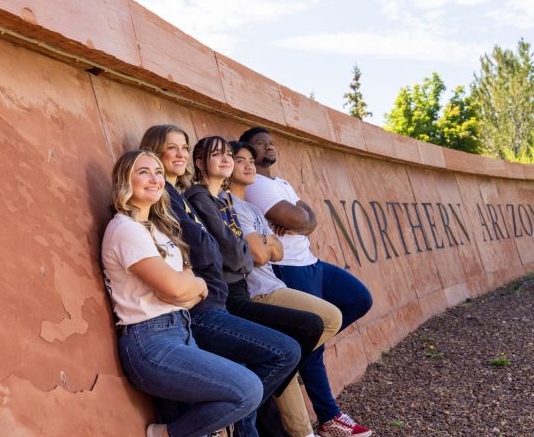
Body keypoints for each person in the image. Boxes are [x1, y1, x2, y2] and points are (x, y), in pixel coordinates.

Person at [138, 126, 302, 437]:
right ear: (154, 153)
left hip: (216, 302)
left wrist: (252, 249)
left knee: (275, 359)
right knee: (284, 352)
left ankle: (243, 423)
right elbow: (226, 255)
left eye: (183, 147)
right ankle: (234, 423)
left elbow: (233, 253)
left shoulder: (182, 199)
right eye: (171, 148)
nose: (179, 154)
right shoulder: (175, 200)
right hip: (202, 311)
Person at [101, 149, 263, 437]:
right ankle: (165, 435)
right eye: (144, 172)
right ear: (125, 180)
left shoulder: (162, 230)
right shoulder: (125, 229)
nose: (154, 179)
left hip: (182, 331)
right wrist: (188, 287)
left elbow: (186, 285)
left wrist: (190, 288)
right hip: (150, 345)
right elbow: (178, 287)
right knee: (248, 389)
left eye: (158, 172)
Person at [240, 127, 374, 437]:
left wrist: (303, 221)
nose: (268, 148)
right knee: (314, 340)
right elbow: (300, 219)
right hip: (289, 267)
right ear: (247, 150)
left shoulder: (280, 182)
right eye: (260, 144)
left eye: (271, 143)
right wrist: (301, 221)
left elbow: (310, 219)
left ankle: (296, 353)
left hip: (312, 262)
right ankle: (330, 417)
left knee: (358, 299)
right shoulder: (256, 186)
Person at [227, 140, 343, 437]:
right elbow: (262, 254)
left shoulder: (252, 207)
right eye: (240, 160)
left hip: (272, 282)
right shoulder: (230, 206)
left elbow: (276, 250)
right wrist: (268, 243)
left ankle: (302, 432)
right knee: (329, 319)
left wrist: (269, 244)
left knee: (286, 356)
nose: (249, 165)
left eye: (250, 160)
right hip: (258, 292)